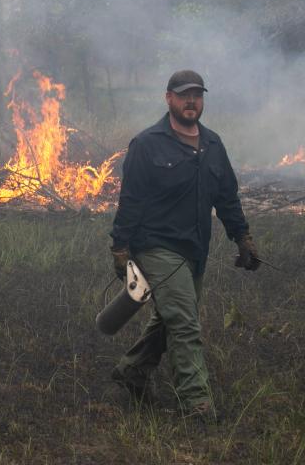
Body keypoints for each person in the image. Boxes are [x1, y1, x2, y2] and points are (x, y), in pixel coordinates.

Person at [109, 69, 260, 421]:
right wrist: (120, 248)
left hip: (194, 249)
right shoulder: (147, 144)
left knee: (170, 318)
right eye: (183, 94)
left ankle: (132, 370)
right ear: (169, 98)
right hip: (156, 246)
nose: (191, 101)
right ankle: (196, 402)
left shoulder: (213, 145)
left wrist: (243, 237)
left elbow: (227, 199)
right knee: (185, 322)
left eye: (197, 95)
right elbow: (130, 201)